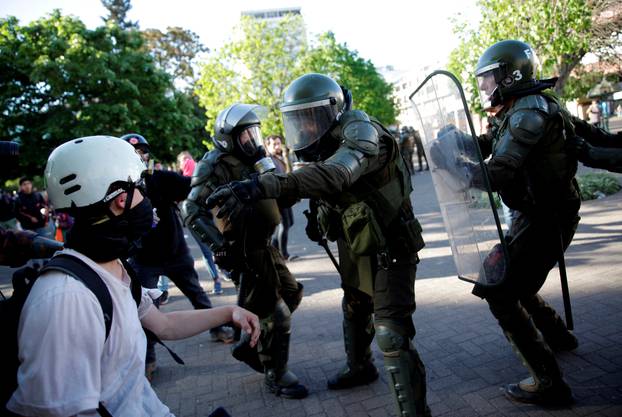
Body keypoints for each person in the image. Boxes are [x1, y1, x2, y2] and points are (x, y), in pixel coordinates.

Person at [205, 74, 430, 417]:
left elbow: (337, 175)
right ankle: (360, 367)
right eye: (299, 120)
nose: (306, 128)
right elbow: (316, 183)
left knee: (390, 333)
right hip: (358, 242)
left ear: (332, 111)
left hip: (391, 244)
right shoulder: (328, 140)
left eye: (311, 118)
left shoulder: (362, 132)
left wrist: (261, 186)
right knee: (355, 305)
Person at [6, 135, 260, 416]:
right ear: (120, 200)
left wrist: (229, 312)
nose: (147, 199)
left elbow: (164, 325)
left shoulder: (112, 266)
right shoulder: (66, 298)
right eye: (141, 188)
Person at [470, 40, 580, 405]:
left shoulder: (527, 112)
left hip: (545, 216)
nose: (485, 86)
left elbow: (499, 171)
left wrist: (464, 173)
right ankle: (557, 336)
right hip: (539, 213)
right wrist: (463, 144)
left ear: (511, 75)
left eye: (489, 79)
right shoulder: (526, 106)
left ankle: (549, 383)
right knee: (510, 276)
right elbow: (497, 143)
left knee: (499, 288)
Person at [181, 103, 308, 399]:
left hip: (266, 245)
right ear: (228, 137)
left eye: (255, 133)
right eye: (246, 135)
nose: (253, 140)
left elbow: (275, 193)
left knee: (292, 293)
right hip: (244, 251)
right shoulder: (213, 165)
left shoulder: (253, 160)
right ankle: (274, 373)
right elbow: (191, 208)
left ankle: (246, 342)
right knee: (277, 315)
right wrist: (220, 245)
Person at [120, 133, 234, 381]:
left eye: (142, 151)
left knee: (196, 293)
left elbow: (191, 186)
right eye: (132, 153)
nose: (139, 156)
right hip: (143, 260)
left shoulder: (159, 179)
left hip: (175, 253)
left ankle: (217, 328)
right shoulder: (119, 188)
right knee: (145, 309)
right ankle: (148, 358)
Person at [265, 134, 298, 261]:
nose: (278, 146)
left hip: (285, 195)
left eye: (279, 143)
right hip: (278, 196)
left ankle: (273, 248)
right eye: (274, 144)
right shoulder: (268, 160)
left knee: (290, 222)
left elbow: (288, 173)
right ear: (267, 145)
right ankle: (283, 254)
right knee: (285, 223)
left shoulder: (278, 158)